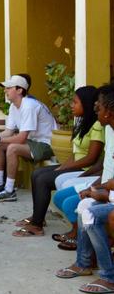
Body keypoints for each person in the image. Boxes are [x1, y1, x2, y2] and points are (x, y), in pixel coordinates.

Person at [13, 86, 103, 237]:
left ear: (86, 104)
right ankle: (38, 218)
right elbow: (76, 154)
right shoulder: (83, 123)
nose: (71, 106)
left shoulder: (97, 126)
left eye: (75, 102)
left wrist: (63, 169)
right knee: (37, 174)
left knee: (43, 179)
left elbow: (91, 158)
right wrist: (62, 166)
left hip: (87, 169)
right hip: (78, 165)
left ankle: (37, 225)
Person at [55, 86, 114, 294]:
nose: (95, 109)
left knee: (88, 210)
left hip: (111, 194)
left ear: (109, 112)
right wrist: (96, 188)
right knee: (84, 205)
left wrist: (102, 191)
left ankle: (109, 276)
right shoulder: (109, 128)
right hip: (109, 191)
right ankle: (84, 263)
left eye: (99, 107)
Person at [0, 74, 56, 202]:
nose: (5, 90)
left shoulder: (29, 106)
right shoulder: (14, 105)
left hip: (46, 144)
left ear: (19, 90)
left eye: (8, 88)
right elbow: (8, 132)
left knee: (12, 148)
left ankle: (9, 191)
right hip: (33, 142)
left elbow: (20, 138)